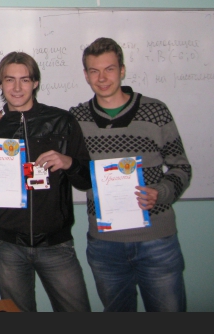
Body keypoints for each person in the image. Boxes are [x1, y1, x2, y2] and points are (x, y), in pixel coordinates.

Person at [69, 37, 192, 312]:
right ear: (86, 75)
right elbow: (71, 169)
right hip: (105, 245)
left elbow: (181, 166)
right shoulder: (76, 118)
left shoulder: (155, 111)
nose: (102, 78)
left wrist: (161, 192)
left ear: (122, 70)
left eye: (109, 69)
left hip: (157, 240)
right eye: (94, 71)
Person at [0, 51, 92, 312]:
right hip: (8, 246)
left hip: (56, 245)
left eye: (24, 80)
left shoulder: (62, 122)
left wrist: (68, 162)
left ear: (35, 82)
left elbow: (86, 181)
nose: (17, 87)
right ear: (0, 84)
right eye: (9, 80)